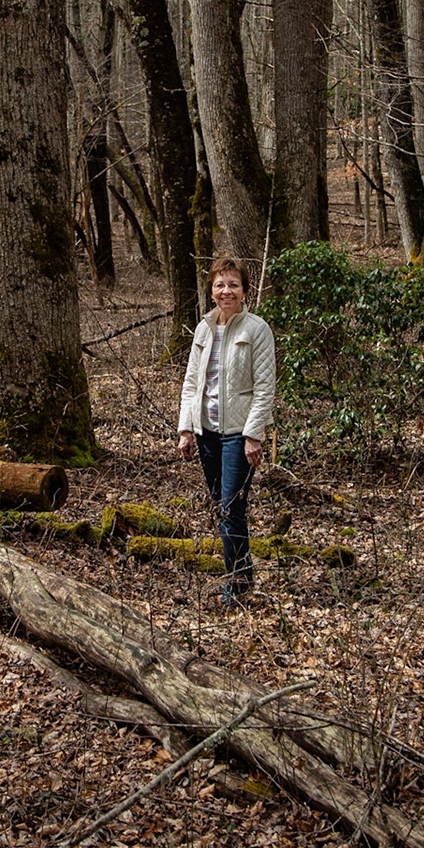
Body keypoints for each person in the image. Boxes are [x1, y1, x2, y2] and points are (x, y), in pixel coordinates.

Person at [176, 257, 276, 607]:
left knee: (231, 506)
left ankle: (234, 583)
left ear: (244, 290)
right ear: (212, 290)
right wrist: (186, 429)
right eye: (220, 284)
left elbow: (265, 388)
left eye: (233, 284)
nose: (226, 291)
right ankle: (244, 575)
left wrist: (254, 435)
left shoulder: (257, 329)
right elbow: (192, 383)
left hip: (238, 433)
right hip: (206, 432)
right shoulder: (203, 329)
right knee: (223, 506)